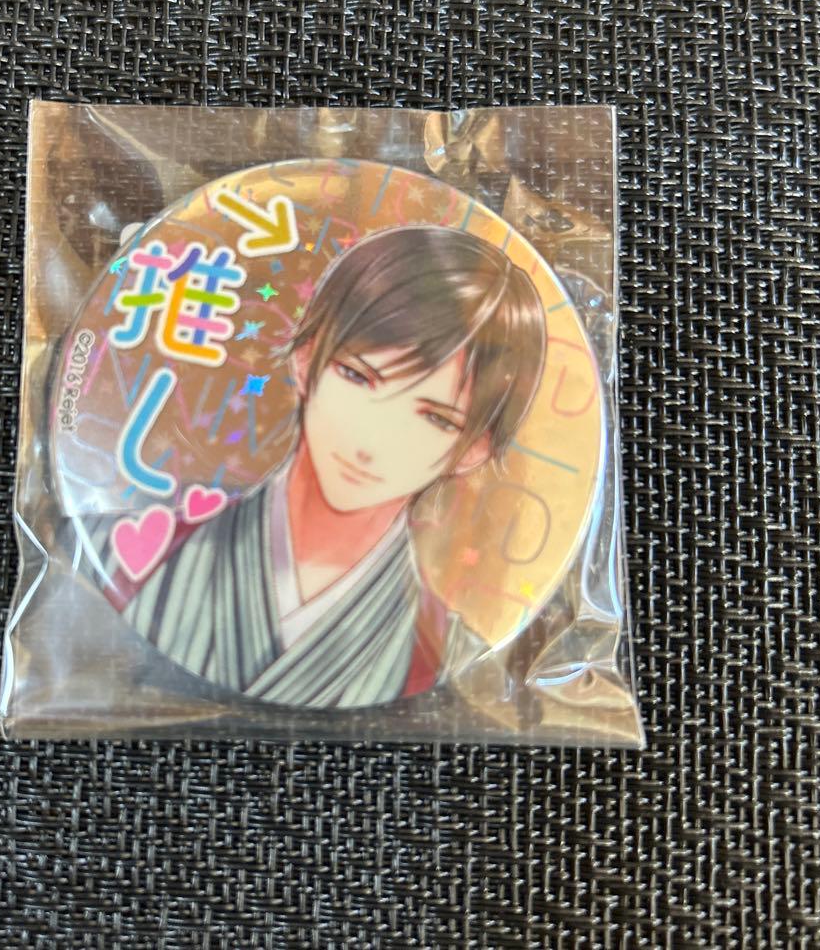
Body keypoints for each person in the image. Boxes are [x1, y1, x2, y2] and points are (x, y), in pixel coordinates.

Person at [120, 224, 546, 708]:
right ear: (306, 359)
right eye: (356, 376)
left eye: (435, 418)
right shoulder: (124, 555)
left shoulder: (456, 662)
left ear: (474, 450)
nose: (370, 442)